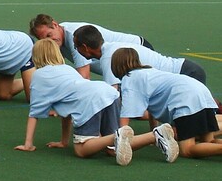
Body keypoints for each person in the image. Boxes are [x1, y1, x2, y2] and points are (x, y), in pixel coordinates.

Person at [14, 39, 170, 166]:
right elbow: (66, 112)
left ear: (37, 57)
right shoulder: (67, 69)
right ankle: (155, 135)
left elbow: (34, 113)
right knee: (113, 150)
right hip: (108, 92)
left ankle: (115, 136)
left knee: (81, 149)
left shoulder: (39, 76)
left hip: (90, 100)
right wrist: (63, 141)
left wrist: (28, 144)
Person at [112, 47, 221, 161]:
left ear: (115, 66)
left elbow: (125, 119)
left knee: (187, 149)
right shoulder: (150, 71)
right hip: (203, 94)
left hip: (186, 100)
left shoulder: (129, 79)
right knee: (209, 141)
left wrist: (121, 139)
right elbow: (151, 109)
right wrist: (154, 130)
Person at [72, 25, 207, 87]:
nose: (75, 50)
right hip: (188, 71)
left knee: (189, 134)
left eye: (76, 47)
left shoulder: (109, 57)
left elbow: (112, 96)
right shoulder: (112, 48)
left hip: (186, 75)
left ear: (85, 47)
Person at [29, 14, 153, 78]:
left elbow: (84, 76)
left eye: (49, 35)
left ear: (55, 25)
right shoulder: (57, 41)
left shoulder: (75, 37)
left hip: (139, 52)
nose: (50, 41)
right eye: (44, 39)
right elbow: (55, 70)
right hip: (122, 66)